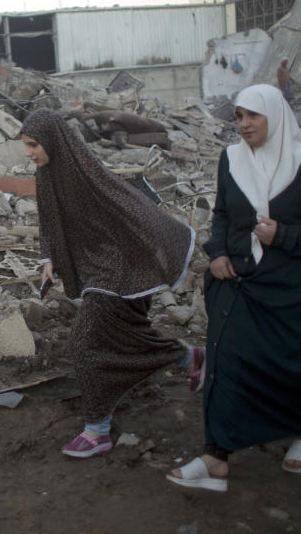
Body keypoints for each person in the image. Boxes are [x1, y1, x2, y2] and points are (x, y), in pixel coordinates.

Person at [167, 84, 301, 492]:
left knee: (291, 364)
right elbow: (222, 214)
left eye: (253, 115)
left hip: (290, 289)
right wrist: (216, 253)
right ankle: (216, 456)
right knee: (226, 362)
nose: (244, 124)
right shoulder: (231, 159)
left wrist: (284, 235)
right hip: (237, 282)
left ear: (275, 116)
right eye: (238, 116)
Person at [18, 108, 203, 458]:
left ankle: (97, 430)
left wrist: (170, 250)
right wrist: (48, 260)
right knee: (126, 331)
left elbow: (131, 206)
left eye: (33, 144)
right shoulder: (47, 173)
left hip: (119, 269)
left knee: (85, 344)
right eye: (25, 145)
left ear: (53, 141)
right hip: (93, 268)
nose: (28, 152)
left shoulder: (84, 171)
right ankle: (190, 357)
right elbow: (48, 220)